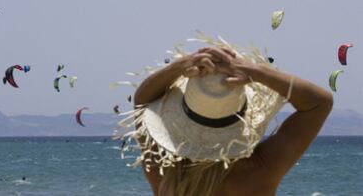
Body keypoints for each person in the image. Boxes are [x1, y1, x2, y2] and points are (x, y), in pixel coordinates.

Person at [125, 41, 333, 196]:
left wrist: (180, 66)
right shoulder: (258, 172)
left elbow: (142, 103)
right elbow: (318, 103)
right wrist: (255, 71)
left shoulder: (164, 174)